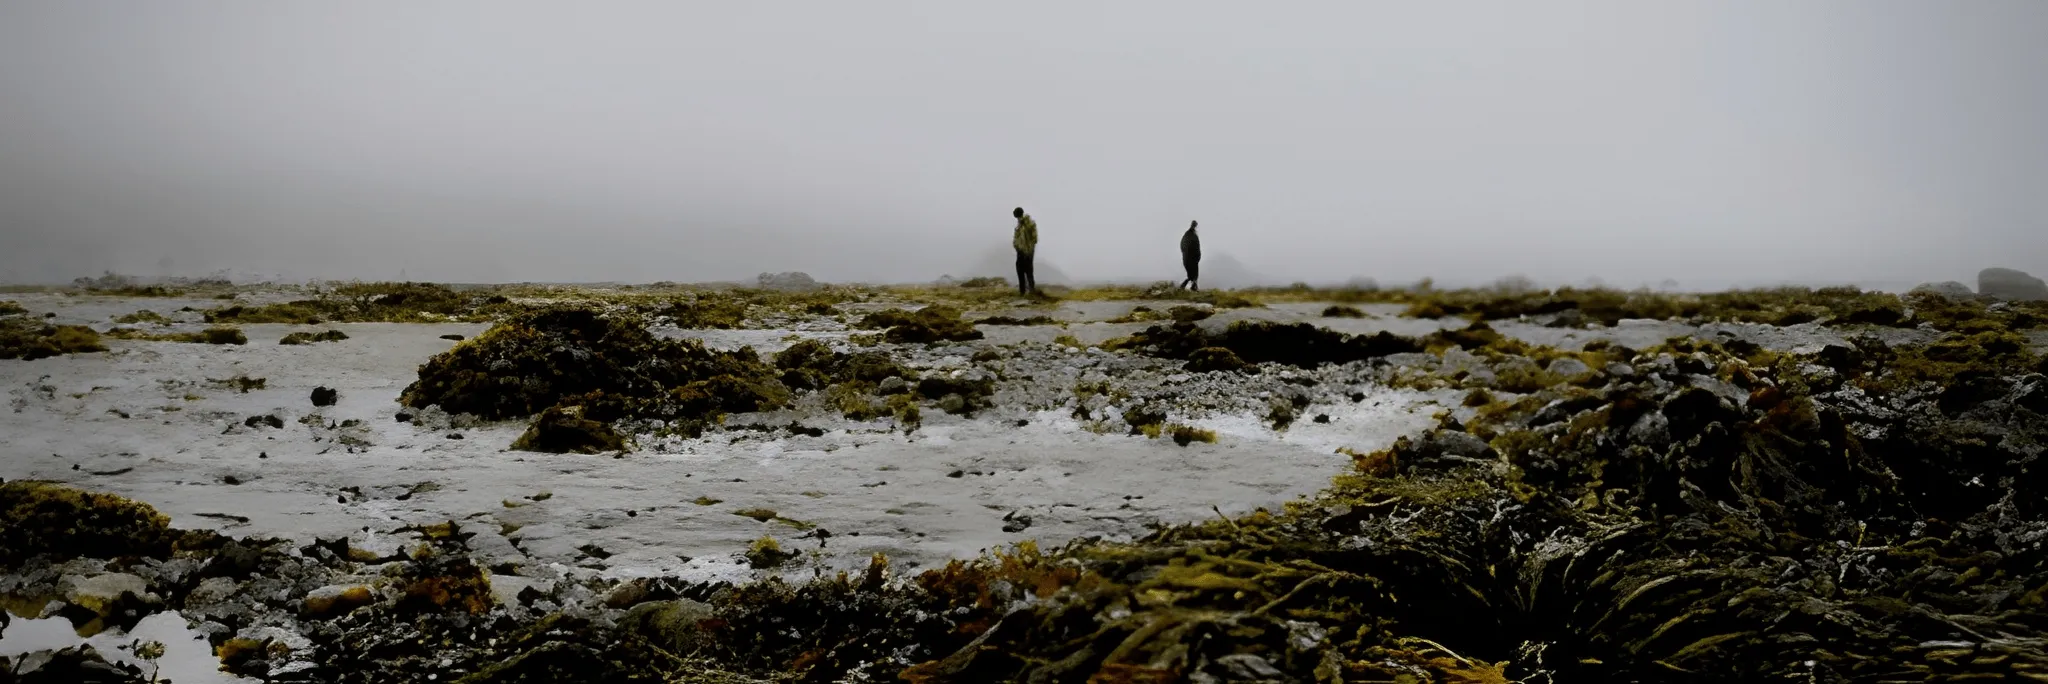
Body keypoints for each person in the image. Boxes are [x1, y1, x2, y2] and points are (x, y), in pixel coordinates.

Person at [1012, 207, 1038, 296]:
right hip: (1020, 250)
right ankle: (1022, 291)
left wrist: (1029, 248)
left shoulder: (1029, 224)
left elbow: (1034, 238)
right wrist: (1016, 246)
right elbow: (1016, 238)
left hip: (1028, 250)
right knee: (1020, 269)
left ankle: (1031, 290)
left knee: (1028, 270)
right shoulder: (1019, 226)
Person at [1179, 220, 1201, 291]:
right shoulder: (1194, 236)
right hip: (1193, 259)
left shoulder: (1186, 235)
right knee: (1194, 275)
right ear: (1196, 226)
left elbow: (1182, 246)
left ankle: (1190, 286)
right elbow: (1197, 248)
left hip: (1186, 258)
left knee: (1190, 274)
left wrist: (1184, 254)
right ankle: (1191, 287)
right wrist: (1198, 257)